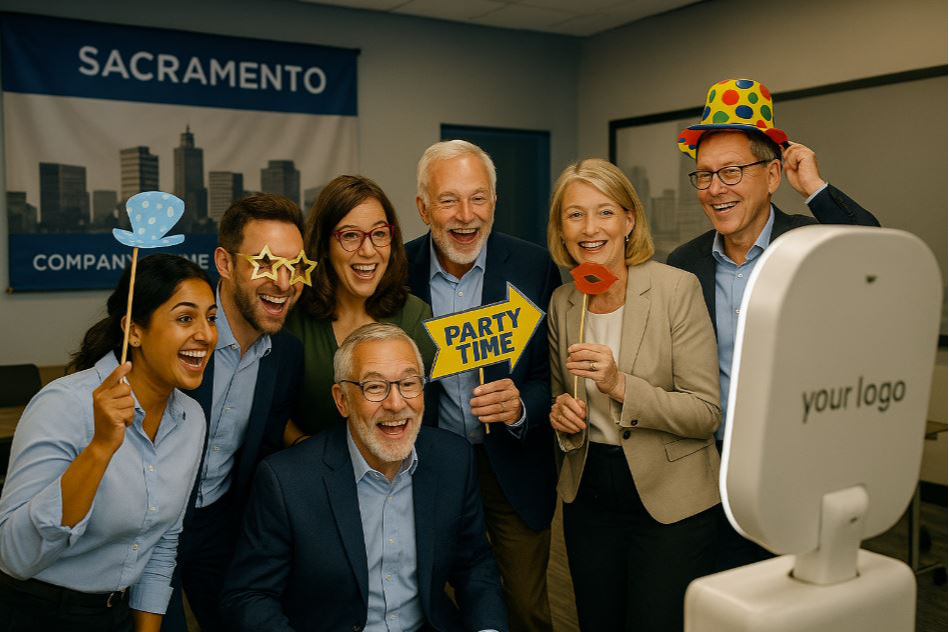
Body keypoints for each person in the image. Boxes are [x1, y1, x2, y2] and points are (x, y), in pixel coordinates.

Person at [667, 78, 880, 571]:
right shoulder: (685, 262)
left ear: (773, 175)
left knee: (790, 592)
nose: (715, 189)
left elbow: (876, 258)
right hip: (710, 464)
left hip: (797, 463)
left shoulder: (812, 245)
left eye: (733, 172)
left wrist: (816, 188)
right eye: (704, 175)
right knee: (720, 592)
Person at [221, 323, 507, 631]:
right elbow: (249, 596)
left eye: (409, 383)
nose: (396, 404)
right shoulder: (285, 480)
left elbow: (475, 566)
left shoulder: (453, 459)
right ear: (342, 400)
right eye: (374, 387)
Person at [547, 159, 721, 632]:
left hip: (670, 500)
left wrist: (619, 384)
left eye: (604, 212)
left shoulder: (675, 289)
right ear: (561, 229)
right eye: (574, 214)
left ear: (629, 220)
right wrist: (561, 417)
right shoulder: (564, 303)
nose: (589, 228)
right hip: (589, 498)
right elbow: (562, 400)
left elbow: (705, 413)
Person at [0, 254, 216, 632]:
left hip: (116, 615)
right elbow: (15, 556)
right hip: (34, 612)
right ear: (134, 331)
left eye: (211, 318)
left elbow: (162, 543)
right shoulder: (64, 404)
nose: (206, 334)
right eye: (185, 318)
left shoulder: (191, 419)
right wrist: (100, 448)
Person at [406, 140, 561, 631]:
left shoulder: (534, 267)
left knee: (525, 606)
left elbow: (548, 379)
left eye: (478, 197)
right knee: (430, 600)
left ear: (495, 202)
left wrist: (521, 408)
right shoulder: (395, 271)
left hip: (512, 466)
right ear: (423, 207)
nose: (465, 215)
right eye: (449, 200)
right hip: (425, 463)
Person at [162, 194, 305, 631]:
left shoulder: (285, 354)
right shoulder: (176, 332)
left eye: (295, 265)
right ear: (225, 264)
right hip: (152, 520)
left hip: (221, 521)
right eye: (264, 263)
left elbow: (267, 435)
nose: (283, 282)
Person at [284, 175, 436, 442]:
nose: (368, 251)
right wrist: (304, 451)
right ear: (324, 245)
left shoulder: (415, 316)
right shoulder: (293, 316)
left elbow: (423, 415)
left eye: (379, 234)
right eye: (350, 236)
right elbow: (270, 410)